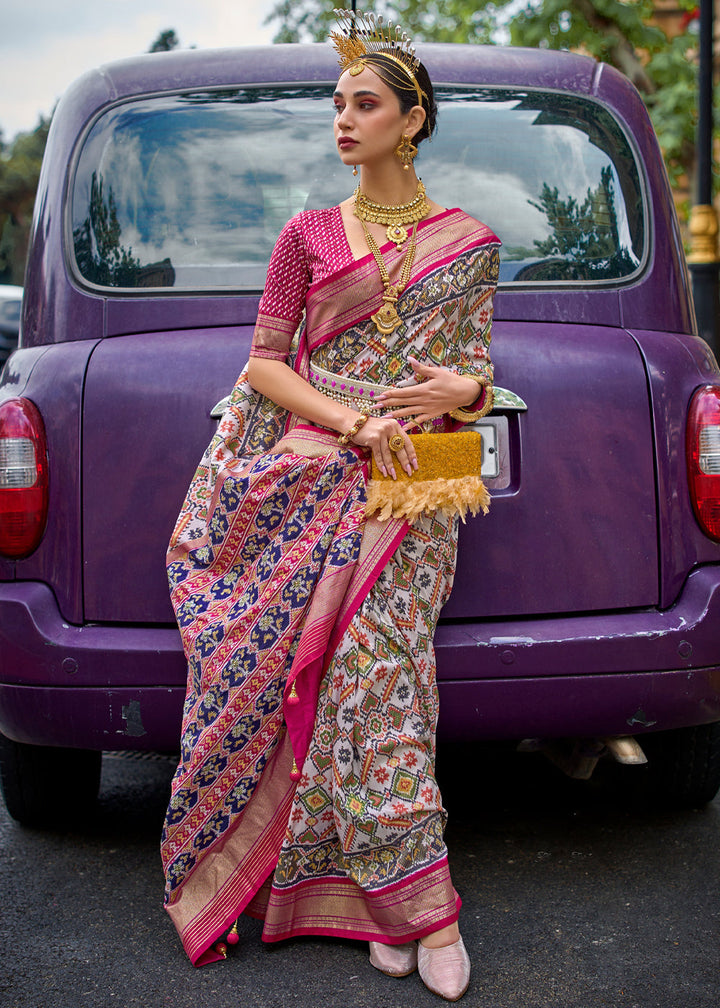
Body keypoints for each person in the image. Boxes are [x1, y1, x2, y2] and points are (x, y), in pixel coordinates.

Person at [160, 9, 500, 1002]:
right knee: (331, 679)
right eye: (337, 105)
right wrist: (354, 423)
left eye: (364, 104)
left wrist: (464, 396)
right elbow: (264, 366)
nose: (342, 120)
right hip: (319, 464)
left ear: (412, 118)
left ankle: (414, 905)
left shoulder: (469, 244)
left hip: (424, 472)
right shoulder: (307, 235)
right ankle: (393, 905)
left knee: (383, 675)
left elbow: (478, 373)